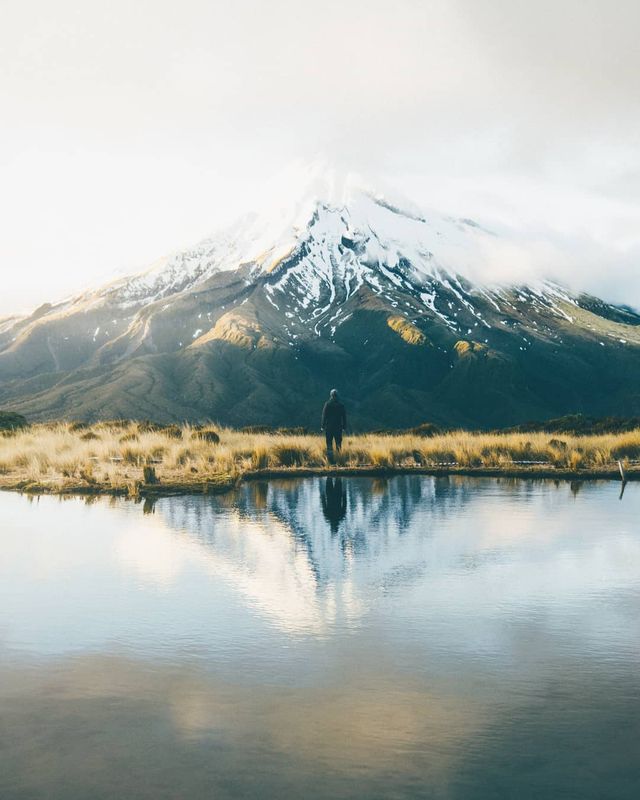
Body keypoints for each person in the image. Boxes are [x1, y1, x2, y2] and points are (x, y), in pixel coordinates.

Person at [321, 388, 347, 457]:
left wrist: (322, 426)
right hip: (338, 427)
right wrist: (344, 427)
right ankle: (339, 457)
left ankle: (330, 458)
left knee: (329, 443)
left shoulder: (327, 404)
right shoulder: (341, 405)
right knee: (338, 443)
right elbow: (344, 417)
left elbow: (324, 416)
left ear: (331, 395)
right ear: (337, 396)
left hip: (329, 427)